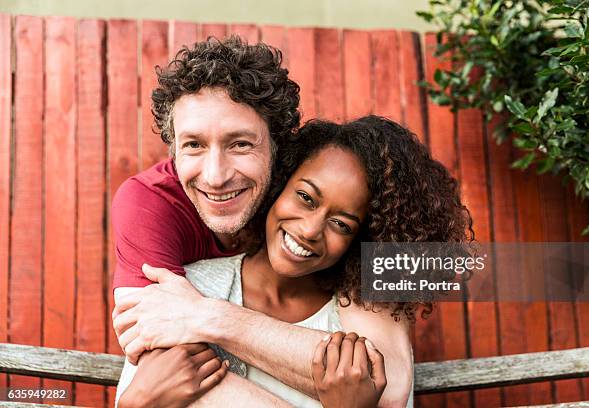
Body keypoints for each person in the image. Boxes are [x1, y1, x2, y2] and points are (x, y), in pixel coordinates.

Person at [111, 36, 412, 406]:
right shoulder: (151, 205)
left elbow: (389, 387)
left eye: (240, 144)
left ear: (279, 152)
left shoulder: (353, 251)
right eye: (193, 144)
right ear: (173, 151)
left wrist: (211, 317)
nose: (216, 176)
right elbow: (160, 362)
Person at [114, 116, 474, 407]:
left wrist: (209, 318)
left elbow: (392, 392)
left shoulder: (359, 328)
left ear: (363, 238)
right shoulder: (191, 289)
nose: (310, 229)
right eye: (305, 197)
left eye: (341, 224)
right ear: (278, 183)